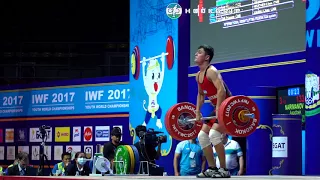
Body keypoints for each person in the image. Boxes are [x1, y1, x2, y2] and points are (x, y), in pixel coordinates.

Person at [194, 44, 232, 178]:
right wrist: (198, 112)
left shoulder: (212, 71)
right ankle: (212, 168)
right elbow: (200, 95)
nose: (196, 54)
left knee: (214, 135)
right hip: (217, 107)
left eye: (199, 53)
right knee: (202, 137)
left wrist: (218, 109)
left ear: (207, 57)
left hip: (228, 107)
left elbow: (221, 90)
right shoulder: (198, 75)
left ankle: (224, 169)